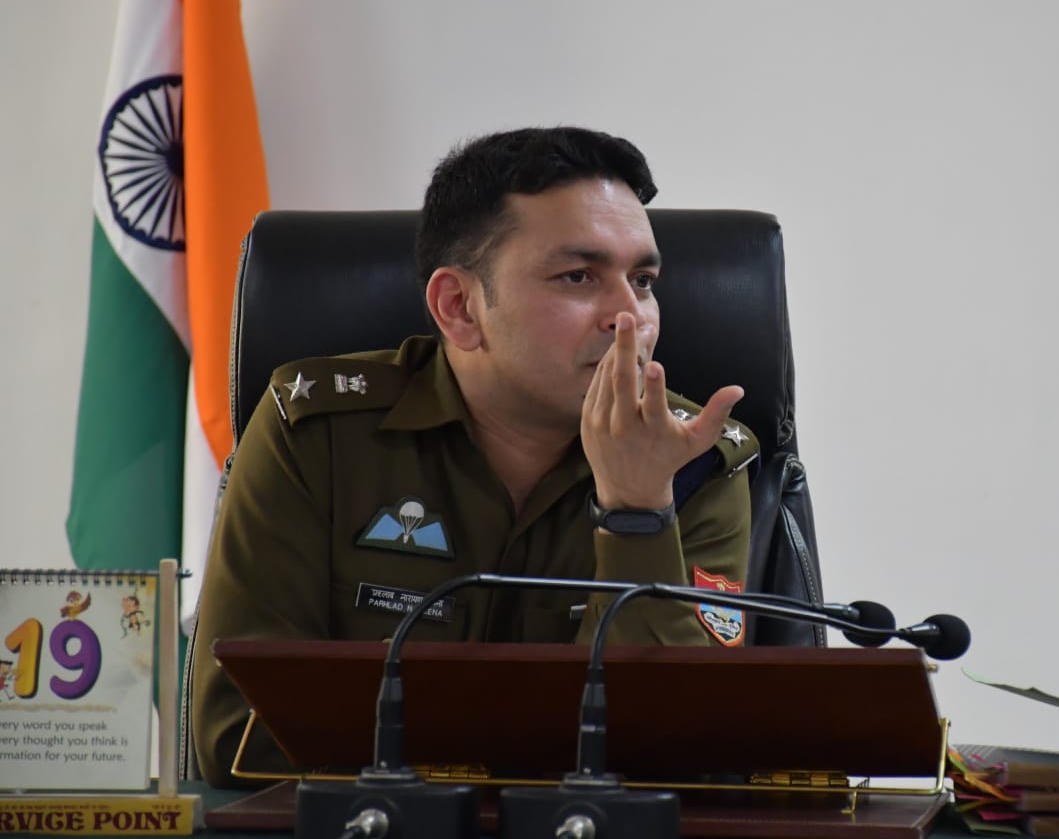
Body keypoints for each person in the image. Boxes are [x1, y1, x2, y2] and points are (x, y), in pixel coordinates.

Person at [190, 127, 758, 786]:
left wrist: (637, 514)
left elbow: (678, 755)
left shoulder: (692, 460)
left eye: (644, 280)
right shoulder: (318, 434)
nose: (631, 317)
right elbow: (237, 739)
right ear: (458, 307)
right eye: (578, 277)